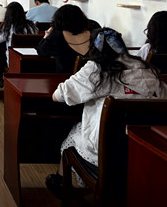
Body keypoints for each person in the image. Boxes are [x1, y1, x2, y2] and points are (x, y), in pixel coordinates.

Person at [45, 28, 167, 198]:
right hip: (142, 149)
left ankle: (60, 180)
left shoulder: (96, 69)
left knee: (73, 134)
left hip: (105, 150)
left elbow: (59, 95)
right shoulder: (144, 67)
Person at [37, 4, 100, 73]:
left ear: (58, 20)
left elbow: (41, 51)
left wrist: (48, 33)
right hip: (94, 77)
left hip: (66, 78)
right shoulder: (95, 33)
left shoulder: (57, 37)